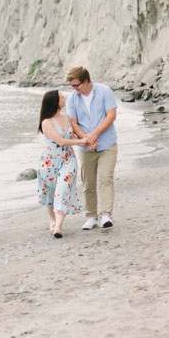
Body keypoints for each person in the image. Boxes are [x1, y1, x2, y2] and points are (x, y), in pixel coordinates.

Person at [65, 66, 119, 231]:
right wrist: (86, 139)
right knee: (88, 183)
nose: (74, 89)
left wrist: (94, 134)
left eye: (76, 85)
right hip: (85, 147)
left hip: (107, 144)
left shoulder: (104, 91)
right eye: (72, 86)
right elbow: (73, 123)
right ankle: (91, 217)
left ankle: (106, 215)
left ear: (86, 81)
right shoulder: (72, 99)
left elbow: (111, 115)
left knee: (105, 178)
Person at [37, 89, 86, 238]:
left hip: (68, 159)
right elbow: (61, 141)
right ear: (54, 102)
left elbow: (79, 134)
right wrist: (81, 142)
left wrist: (89, 140)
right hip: (49, 160)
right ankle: (52, 219)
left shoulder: (67, 118)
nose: (64, 98)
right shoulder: (46, 122)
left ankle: (58, 227)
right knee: (51, 192)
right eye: (61, 97)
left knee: (63, 190)